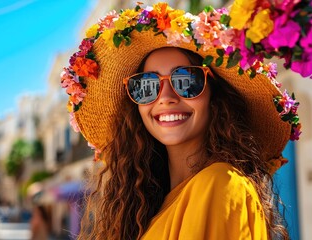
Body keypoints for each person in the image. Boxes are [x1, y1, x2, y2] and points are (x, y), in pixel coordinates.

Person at [60, 2, 301, 239]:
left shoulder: (221, 185)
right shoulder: (152, 203)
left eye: (186, 80)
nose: (165, 98)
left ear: (215, 96)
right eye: (146, 86)